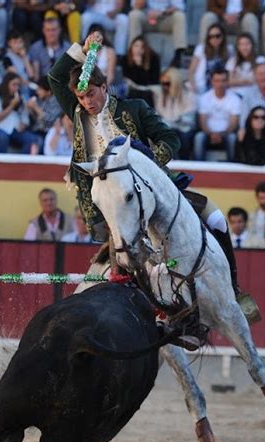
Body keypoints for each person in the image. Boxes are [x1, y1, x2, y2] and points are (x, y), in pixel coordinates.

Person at [48, 31, 248, 306]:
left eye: (91, 94)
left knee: (216, 220)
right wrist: (83, 51)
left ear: (104, 87)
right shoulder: (78, 112)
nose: (87, 103)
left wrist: (149, 164)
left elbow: (171, 139)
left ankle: (233, 289)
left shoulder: (134, 109)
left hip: (152, 194)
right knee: (126, 266)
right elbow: (55, 77)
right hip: (106, 210)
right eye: (81, 98)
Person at [0, 72, 43, 154]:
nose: (16, 88)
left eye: (18, 85)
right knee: (2, 138)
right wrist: (12, 105)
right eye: (14, 84)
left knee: (35, 139)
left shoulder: (21, 98)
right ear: (6, 84)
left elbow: (25, 118)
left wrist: (23, 124)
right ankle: (0, 165)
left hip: (15, 131)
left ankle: (23, 165)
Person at [194, 66, 240, 161]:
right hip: (208, 134)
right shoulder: (204, 98)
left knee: (232, 138)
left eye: (223, 80)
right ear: (212, 82)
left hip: (227, 134)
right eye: (217, 81)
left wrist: (222, 134)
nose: (220, 84)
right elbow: (203, 122)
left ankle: (233, 168)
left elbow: (234, 123)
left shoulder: (235, 99)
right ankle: (198, 167)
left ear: (227, 81)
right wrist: (211, 134)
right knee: (199, 137)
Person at [152, 67, 196, 160]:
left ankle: (185, 162)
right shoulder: (161, 95)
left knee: (182, 136)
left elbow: (190, 119)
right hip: (168, 128)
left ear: (175, 83)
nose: (164, 86)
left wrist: (176, 121)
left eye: (167, 84)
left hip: (184, 128)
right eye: (162, 83)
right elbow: (158, 114)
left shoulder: (188, 94)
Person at [128, 0, 187, 67]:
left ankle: (178, 55)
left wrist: (162, 12)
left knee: (180, 16)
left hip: (165, 19)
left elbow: (179, 7)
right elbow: (135, 6)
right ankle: (133, 54)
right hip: (146, 18)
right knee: (134, 15)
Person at [188, 22, 232, 94]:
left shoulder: (229, 49)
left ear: (223, 36)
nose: (214, 39)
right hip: (201, 87)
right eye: (211, 37)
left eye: (217, 36)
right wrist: (193, 86)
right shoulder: (201, 48)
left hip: (223, 89)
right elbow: (191, 72)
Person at [122, 35, 160, 106]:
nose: (138, 49)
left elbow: (154, 79)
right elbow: (129, 78)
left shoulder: (153, 58)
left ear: (145, 49)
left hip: (148, 89)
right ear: (131, 47)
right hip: (133, 88)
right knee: (133, 93)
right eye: (136, 46)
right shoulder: (125, 59)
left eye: (142, 47)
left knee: (147, 95)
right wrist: (136, 66)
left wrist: (139, 65)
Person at [28, 17, 70, 82]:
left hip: (62, 83)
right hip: (43, 84)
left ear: (59, 30)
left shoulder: (67, 47)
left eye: (54, 30)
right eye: (48, 30)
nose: (51, 33)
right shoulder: (35, 48)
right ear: (43, 30)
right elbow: (36, 76)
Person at [2, 30, 36, 99]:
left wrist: (24, 57)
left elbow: (31, 75)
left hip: (27, 87)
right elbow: (16, 76)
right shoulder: (7, 58)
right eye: (15, 42)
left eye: (20, 42)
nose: (18, 45)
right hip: (16, 89)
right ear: (9, 43)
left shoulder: (26, 56)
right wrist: (28, 83)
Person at [226, 32, 257, 98]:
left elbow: (258, 79)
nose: (245, 47)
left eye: (247, 44)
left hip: (254, 94)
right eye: (242, 44)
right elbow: (230, 82)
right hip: (235, 94)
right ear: (238, 47)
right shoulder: (232, 61)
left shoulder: (260, 60)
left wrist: (238, 81)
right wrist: (247, 81)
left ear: (252, 45)